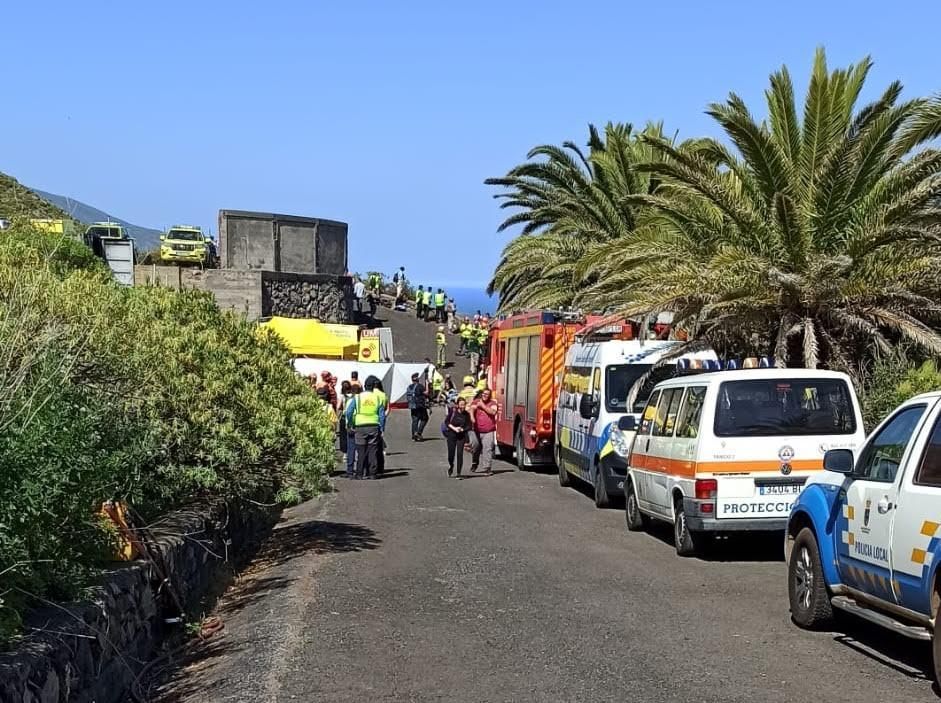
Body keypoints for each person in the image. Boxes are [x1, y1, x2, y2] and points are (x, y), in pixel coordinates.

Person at [344, 375, 386, 479]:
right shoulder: (377, 398)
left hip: (360, 426)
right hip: (374, 425)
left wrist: (350, 423)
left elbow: (349, 411)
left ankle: (359, 473)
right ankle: (372, 473)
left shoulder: (357, 398)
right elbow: (382, 415)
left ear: (365, 386)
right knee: (372, 450)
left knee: (361, 450)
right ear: (373, 387)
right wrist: (382, 428)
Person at [470, 388, 498, 475]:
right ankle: (475, 462)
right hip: (476, 430)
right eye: (484, 394)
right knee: (475, 447)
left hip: (488, 431)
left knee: (487, 449)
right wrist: (472, 417)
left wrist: (483, 406)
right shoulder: (476, 401)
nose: (485, 395)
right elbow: (472, 409)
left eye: (487, 394)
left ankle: (487, 468)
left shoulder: (493, 403)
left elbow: (493, 412)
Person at [444, 397, 471, 478]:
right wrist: (454, 428)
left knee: (460, 454)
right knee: (451, 455)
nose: (463, 406)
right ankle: (451, 466)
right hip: (452, 434)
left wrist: (462, 429)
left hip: (461, 436)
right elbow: (447, 422)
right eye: (461, 405)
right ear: (457, 405)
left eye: (464, 404)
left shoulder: (466, 414)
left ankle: (459, 473)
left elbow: (469, 425)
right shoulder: (453, 412)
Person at [338, 380, 356, 478]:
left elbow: (338, 407)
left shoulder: (342, 397)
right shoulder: (354, 397)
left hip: (344, 418)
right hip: (353, 420)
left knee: (344, 437)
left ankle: (345, 454)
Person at [406, 372, 429, 441]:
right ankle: (418, 433)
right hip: (420, 405)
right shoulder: (420, 386)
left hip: (412, 405)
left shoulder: (409, 387)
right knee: (425, 419)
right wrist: (427, 384)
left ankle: (413, 435)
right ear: (417, 379)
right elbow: (426, 393)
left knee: (414, 420)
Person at [373, 379, 390, 474]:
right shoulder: (383, 395)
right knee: (380, 434)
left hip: (371, 417)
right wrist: (384, 415)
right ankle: (382, 449)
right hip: (381, 417)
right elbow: (387, 408)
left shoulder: (370, 394)